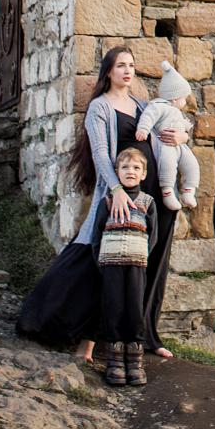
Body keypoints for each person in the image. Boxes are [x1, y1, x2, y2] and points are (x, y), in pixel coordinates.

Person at [15, 45, 190, 366]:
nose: (127, 71)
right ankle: (66, 329)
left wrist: (182, 138)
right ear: (108, 71)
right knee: (101, 261)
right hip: (121, 199)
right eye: (121, 65)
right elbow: (100, 154)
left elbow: (172, 132)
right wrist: (116, 192)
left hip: (156, 199)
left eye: (132, 65)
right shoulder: (100, 107)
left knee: (151, 265)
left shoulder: (142, 105)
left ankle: (145, 336)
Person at [95, 145, 155, 386]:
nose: (131, 171)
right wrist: (100, 260)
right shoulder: (108, 201)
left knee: (134, 307)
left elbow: (154, 236)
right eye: (125, 167)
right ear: (117, 172)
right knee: (114, 307)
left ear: (143, 174)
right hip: (111, 263)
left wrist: (143, 256)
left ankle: (135, 359)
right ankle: (115, 360)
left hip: (136, 263)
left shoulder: (147, 202)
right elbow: (97, 233)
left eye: (136, 167)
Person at [138, 61, 200, 210]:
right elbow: (148, 117)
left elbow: (183, 127)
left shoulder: (176, 111)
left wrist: (185, 132)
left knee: (192, 164)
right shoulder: (159, 106)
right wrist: (143, 129)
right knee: (168, 165)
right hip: (165, 144)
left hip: (180, 145)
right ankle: (167, 192)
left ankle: (189, 191)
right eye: (183, 98)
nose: (185, 102)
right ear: (174, 97)